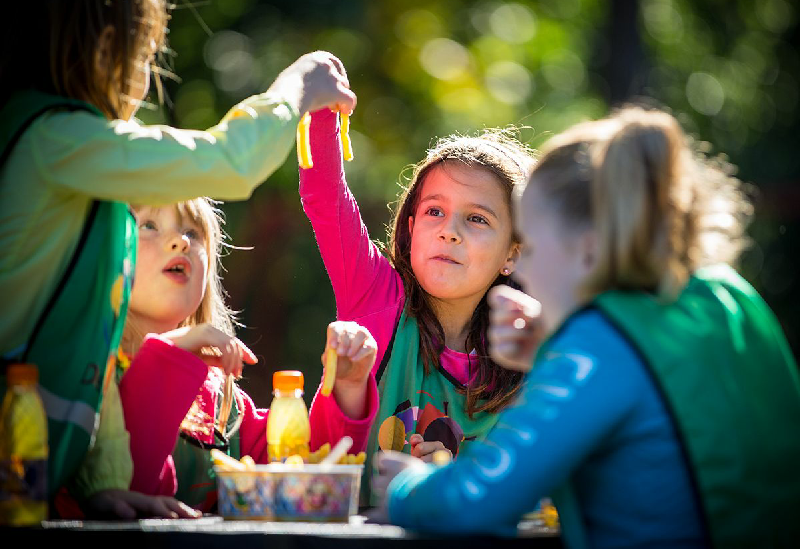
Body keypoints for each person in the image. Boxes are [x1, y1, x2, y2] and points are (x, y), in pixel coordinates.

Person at [0, 0, 355, 518]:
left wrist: (104, 484)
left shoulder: (60, 154)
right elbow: (231, 160)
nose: (144, 77)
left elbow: (92, 349)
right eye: (141, 54)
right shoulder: (57, 139)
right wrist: (299, 85)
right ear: (96, 47)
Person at [375, 107, 800, 547]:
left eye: (534, 247)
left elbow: (477, 503)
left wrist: (409, 488)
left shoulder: (596, 346)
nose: (525, 274)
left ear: (589, 250)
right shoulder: (728, 296)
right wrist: (549, 350)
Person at [299, 108, 534, 504]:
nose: (449, 232)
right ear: (411, 229)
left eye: (476, 219)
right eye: (434, 211)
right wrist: (322, 108)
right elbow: (325, 193)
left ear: (512, 254)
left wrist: (440, 484)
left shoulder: (525, 350)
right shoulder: (375, 296)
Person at [118, 198, 378, 512]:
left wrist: (348, 387)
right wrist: (168, 354)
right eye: (148, 225)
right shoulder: (89, 379)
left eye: (193, 232)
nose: (180, 241)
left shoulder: (224, 400)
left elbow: (300, 488)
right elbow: (120, 485)